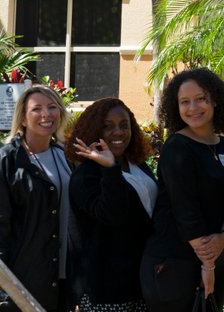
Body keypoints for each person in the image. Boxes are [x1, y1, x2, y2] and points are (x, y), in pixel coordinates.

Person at [141, 68, 224, 312]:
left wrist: (223, 238)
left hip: (213, 256)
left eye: (201, 99)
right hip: (174, 263)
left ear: (215, 99)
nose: (193, 107)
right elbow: (185, 209)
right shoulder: (177, 146)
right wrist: (208, 264)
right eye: (185, 102)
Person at [69, 97, 157, 312]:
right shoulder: (86, 176)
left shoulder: (137, 165)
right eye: (108, 126)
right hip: (108, 290)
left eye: (124, 125)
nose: (118, 132)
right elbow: (112, 215)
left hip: (144, 282)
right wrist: (109, 168)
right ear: (94, 130)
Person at [0, 84, 74, 312]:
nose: (46, 114)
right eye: (37, 109)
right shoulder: (8, 160)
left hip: (64, 274)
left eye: (52, 107)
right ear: (23, 118)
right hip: (24, 278)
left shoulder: (66, 156)